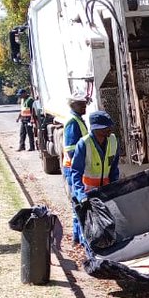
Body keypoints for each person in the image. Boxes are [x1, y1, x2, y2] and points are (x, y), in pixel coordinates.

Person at [72, 111, 120, 252]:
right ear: (96, 129)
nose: (109, 129)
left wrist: (115, 187)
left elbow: (114, 167)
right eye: (106, 127)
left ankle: (103, 250)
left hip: (104, 191)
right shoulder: (84, 144)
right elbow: (76, 172)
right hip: (87, 192)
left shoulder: (112, 140)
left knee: (105, 224)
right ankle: (88, 253)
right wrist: (80, 195)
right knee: (86, 226)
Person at [61, 97, 89, 244]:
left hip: (74, 167)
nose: (84, 107)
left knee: (77, 203)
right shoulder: (73, 122)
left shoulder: (77, 119)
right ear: (72, 105)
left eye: (85, 104)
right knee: (78, 203)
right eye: (81, 104)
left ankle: (77, 238)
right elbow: (72, 149)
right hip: (73, 167)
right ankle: (79, 238)